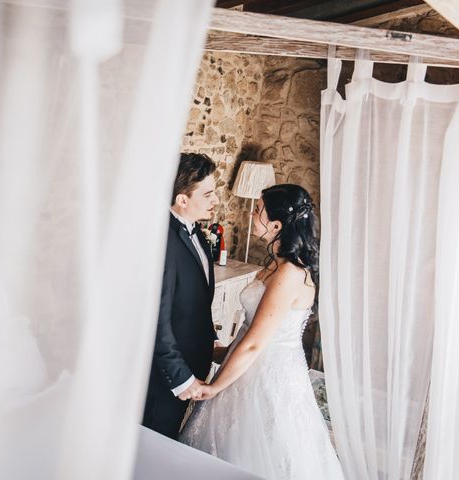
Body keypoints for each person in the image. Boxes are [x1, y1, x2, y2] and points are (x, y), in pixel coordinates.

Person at [180, 184, 344, 479]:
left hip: (267, 375)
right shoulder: (276, 264)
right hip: (246, 367)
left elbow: (255, 343)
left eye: (258, 211)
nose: (252, 215)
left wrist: (214, 388)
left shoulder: (290, 274)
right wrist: (217, 350)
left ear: (276, 225)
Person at [142, 152, 219, 439]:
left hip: (191, 366)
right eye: (208, 194)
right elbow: (155, 320)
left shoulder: (197, 233)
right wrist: (180, 377)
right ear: (182, 199)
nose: (215, 200)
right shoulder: (161, 240)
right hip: (164, 379)